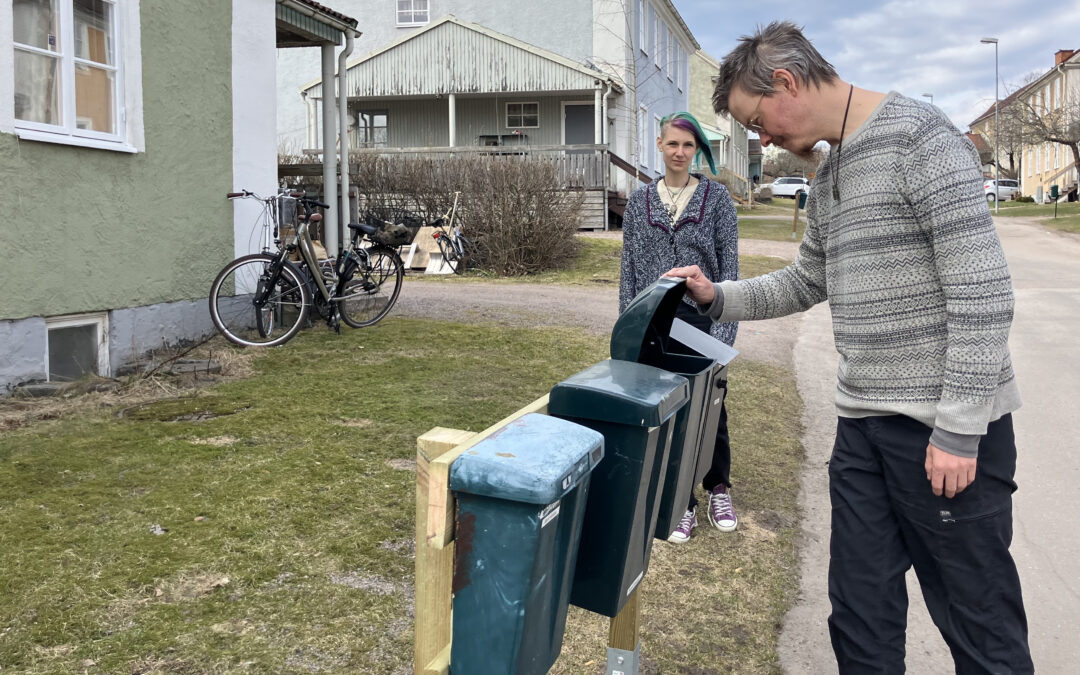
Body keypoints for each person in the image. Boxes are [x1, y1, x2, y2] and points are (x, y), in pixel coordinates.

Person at [665, 21, 1033, 673]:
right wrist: (712, 295)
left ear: (785, 82)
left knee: (979, 624)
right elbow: (808, 279)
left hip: (942, 433)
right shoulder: (829, 172)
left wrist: (957, 431)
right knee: (860, 616)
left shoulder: (922, 136)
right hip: (862, 430)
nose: (763, 139)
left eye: (758, 121)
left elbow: (983, 291)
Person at [619, 111, 739, 544]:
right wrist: (626, 328)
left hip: (702, 321)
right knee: (665, 409)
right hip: (652, 320)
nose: (680, 153)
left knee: (710, 407)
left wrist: (724, 333)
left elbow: (731, 270)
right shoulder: (639, 201)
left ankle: (718, 487)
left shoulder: (717, 199)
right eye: (673, 144)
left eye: (688, 146)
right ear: (659, 144)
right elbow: (629, 271)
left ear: (697, 150)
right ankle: (679, 500)